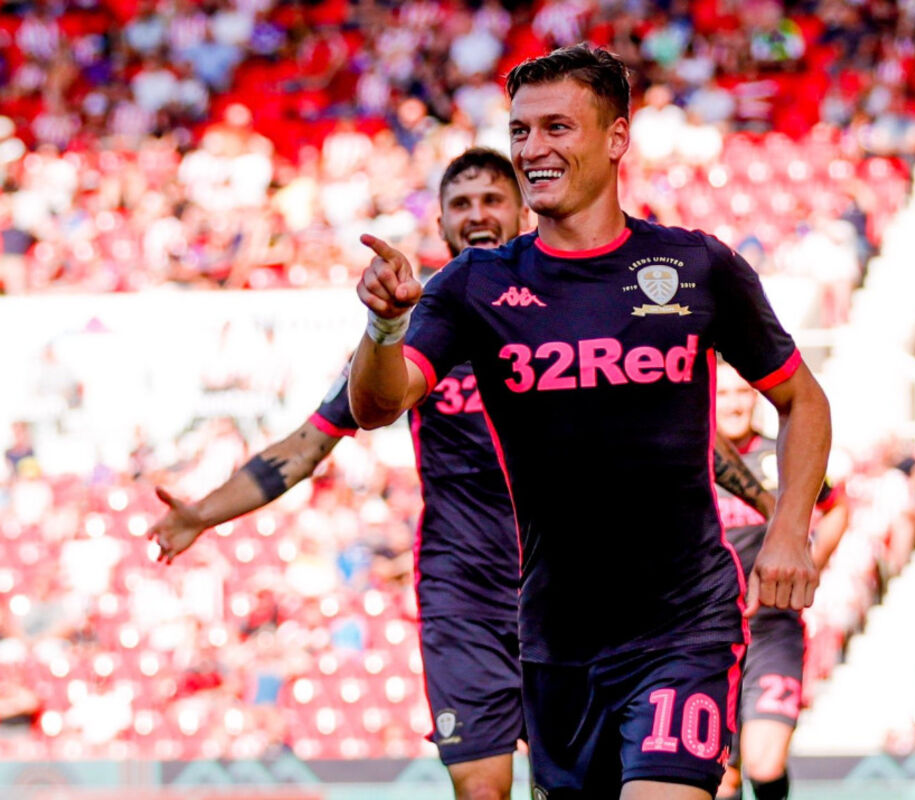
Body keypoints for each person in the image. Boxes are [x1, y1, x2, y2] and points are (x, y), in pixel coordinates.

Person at [349, 45, 831, 800]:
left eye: (557, 128)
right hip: (555, 641)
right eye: (520, 131)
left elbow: (803, 399)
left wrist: (790, 528)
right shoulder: (475, 284)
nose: (532, 149)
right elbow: (378, 405)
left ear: (616, 138)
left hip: (685, 625)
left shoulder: (696, 267)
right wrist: (383, 328)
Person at [151, 148, 530, 800]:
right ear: (441, 223)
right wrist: (201, 514)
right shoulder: (417, 330)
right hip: (461, 590)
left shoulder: (561, 314)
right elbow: (306, 447)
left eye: (492, 200)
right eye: (461, 204)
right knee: (481, 790)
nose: (477, 215)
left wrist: (737, 486)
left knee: (566, 781)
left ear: (522, 212)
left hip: (560, 582)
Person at [711, 361, 848, 800]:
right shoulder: (688, 461)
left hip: (772, 629)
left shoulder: (782, 454)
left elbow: (837, 507)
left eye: (742, 393)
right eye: (723, 394)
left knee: (764, 763)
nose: (734, 404)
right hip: (707, 635)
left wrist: (810, 562)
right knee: (722, 779)